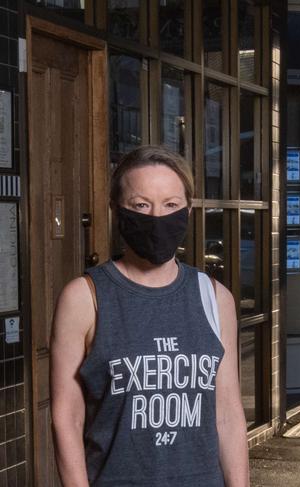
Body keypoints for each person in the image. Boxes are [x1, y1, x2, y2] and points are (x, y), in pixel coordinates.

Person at [50, 146, 250, 486]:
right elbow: (66, 417)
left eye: (170, 205)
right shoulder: (85, 298)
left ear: (187, 211)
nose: (157, 217)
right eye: (141, 205)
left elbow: (228, 415)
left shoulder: (215, 298)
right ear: (117, 210)